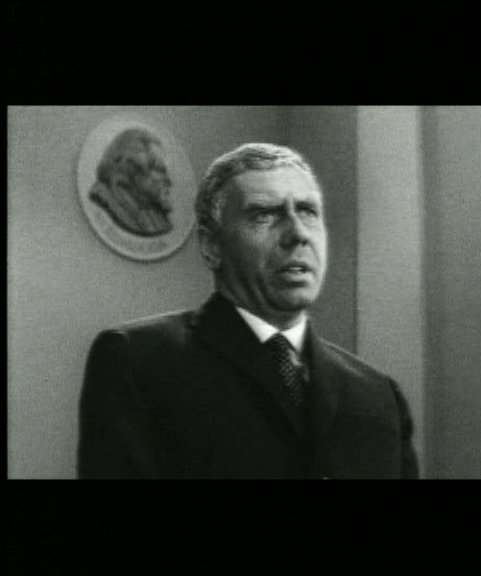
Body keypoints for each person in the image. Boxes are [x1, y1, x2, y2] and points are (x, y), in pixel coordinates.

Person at [78, 143, 419, 479]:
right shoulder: (137, 362)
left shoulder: (378, 396)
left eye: (308, 211)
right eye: (265, 214)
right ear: (212, 246)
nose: (298, 234)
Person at [88, 127, 174, 237]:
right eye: (159, 170)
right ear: (130, 168)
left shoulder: (156, 213)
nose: (169, 181)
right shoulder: (103, 197)